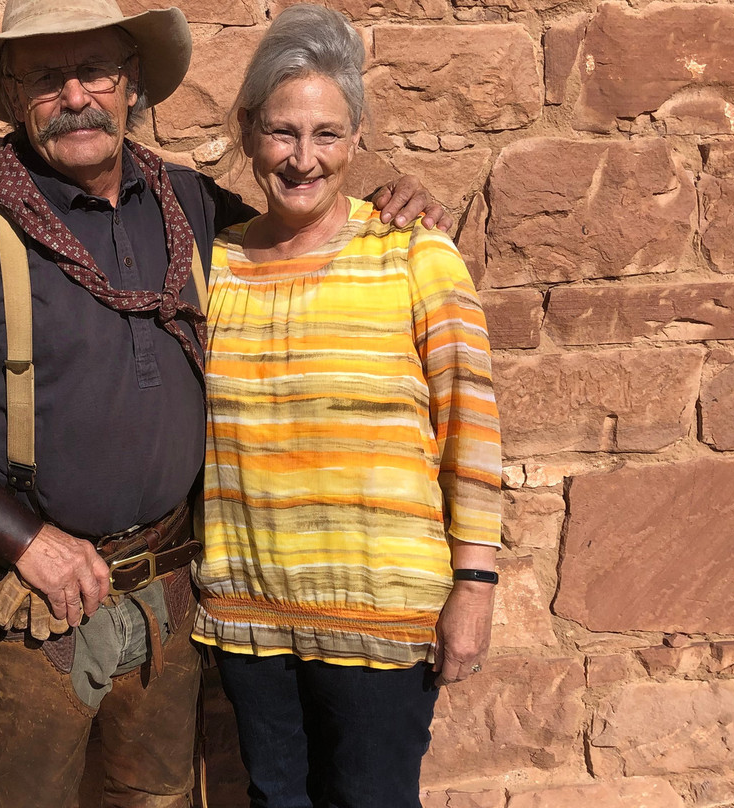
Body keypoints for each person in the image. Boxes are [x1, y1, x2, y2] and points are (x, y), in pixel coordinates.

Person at [0, 0, 449, 806]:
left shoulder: (192, 209)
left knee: (159, 799)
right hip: (35, 611)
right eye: (45, 76)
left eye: (96, 69)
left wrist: (394, 205)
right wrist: (28, 543)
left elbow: (302, 231)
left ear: (131, 84)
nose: (75, 96)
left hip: (171, 599)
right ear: (10, 90)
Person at [190, 6, 503, 808]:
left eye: (326, 134)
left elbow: (470, 426)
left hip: (382, 616)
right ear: (249, 131)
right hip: (249, 612)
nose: (303, 160)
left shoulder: (412, 252)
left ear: (358, 137)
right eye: (282, 132)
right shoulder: (213, 266)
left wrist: (475, 586)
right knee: (274, 799)